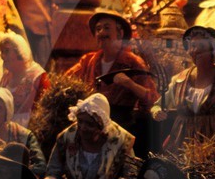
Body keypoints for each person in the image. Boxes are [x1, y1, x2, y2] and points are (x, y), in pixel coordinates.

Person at [42, 92, 138, 179]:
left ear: (102, 126)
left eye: (90, 124)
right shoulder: (67, 138)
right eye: (80, 121)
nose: (83, 128)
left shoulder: (121, 142)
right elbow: (53, 170)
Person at [67, 9, 160, 142]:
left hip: (120, 127)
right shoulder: (88, 61)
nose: (101, 33)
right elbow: (66, 79)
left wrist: (130, 84)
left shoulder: (133, 62)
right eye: (98, 29)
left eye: (106, 28)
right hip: (90, 126)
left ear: (119, 33)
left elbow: (153, 98)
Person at [152, 25, 215, 151]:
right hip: (182, 141)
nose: (195, 51)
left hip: (212, 141)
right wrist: (157, 111)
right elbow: (158, 105)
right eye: (192, 46)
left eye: (201, 46)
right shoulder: (180, 79)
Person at [0, 31, 49, 125]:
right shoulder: (6, 76)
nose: (2, 56)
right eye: (1, 52)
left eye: (7, 51)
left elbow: (44, 113)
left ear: (20, 51)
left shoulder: (38, 76)